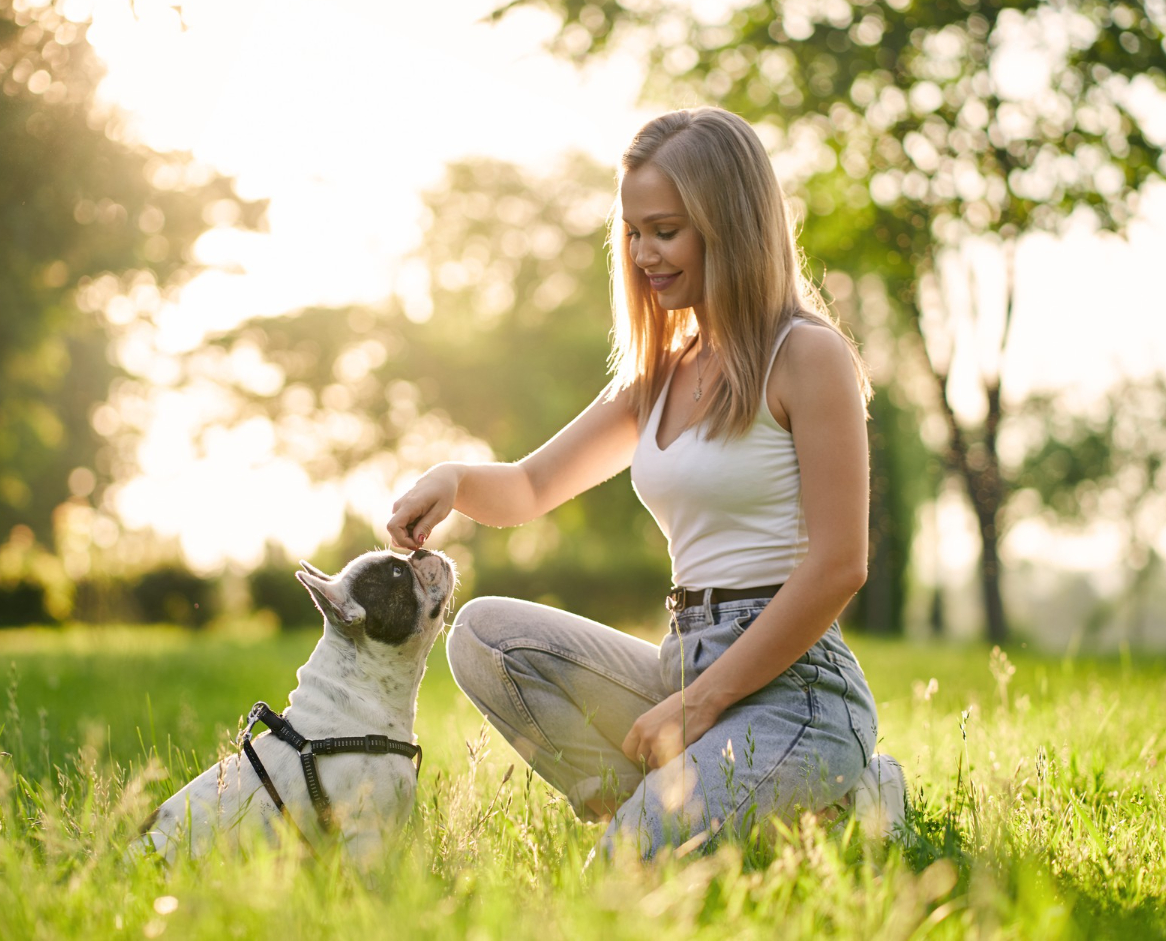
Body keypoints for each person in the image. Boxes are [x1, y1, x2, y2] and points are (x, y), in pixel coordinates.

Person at [385, 107, 905, 861]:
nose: (642, 254)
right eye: (632, 232)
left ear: (729, 223)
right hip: (682, 660)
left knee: (624, 870)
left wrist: (699, 708)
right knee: (485, 639)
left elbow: (838, 566)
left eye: (665, 231)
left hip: (798, 692)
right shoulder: (661, 372)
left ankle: (821, 793)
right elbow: (531, 487)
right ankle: (715, 812)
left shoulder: (807, 355)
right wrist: (453, 479)